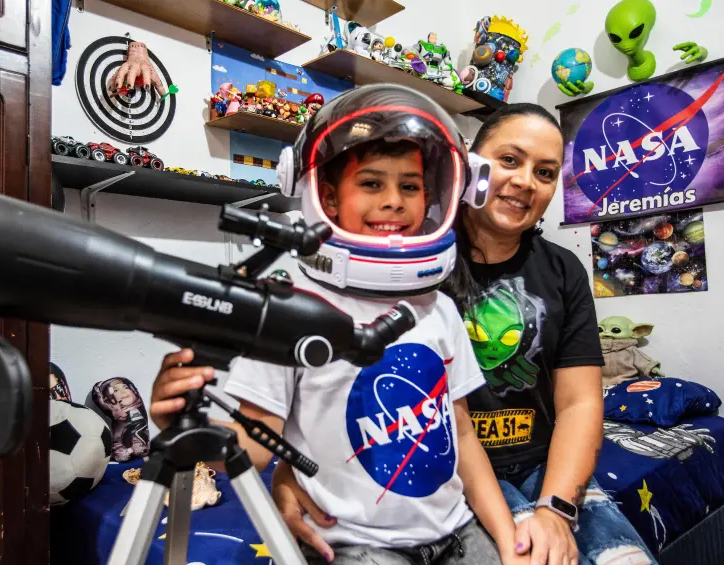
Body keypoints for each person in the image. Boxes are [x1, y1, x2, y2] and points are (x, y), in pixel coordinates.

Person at [149, 85, 530, 565]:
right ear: (326, 198)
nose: (394, 201)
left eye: (410, 186)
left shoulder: (439, 309)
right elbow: (257, 447)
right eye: (371, 183)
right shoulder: (290, 310)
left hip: (457, 529)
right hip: (359, 547)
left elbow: (464, 437)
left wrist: (507, 541)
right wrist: (185, 425)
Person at [270, 103, 657, 565]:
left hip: (541, 465)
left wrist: (556, 508)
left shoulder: (563, 270)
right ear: (468, 169)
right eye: (510, 160)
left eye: (546, 172)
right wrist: (291, 470)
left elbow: (580, 402)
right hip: (447, 476)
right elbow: (331, 381)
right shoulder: (403, 261)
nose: (526, 182)